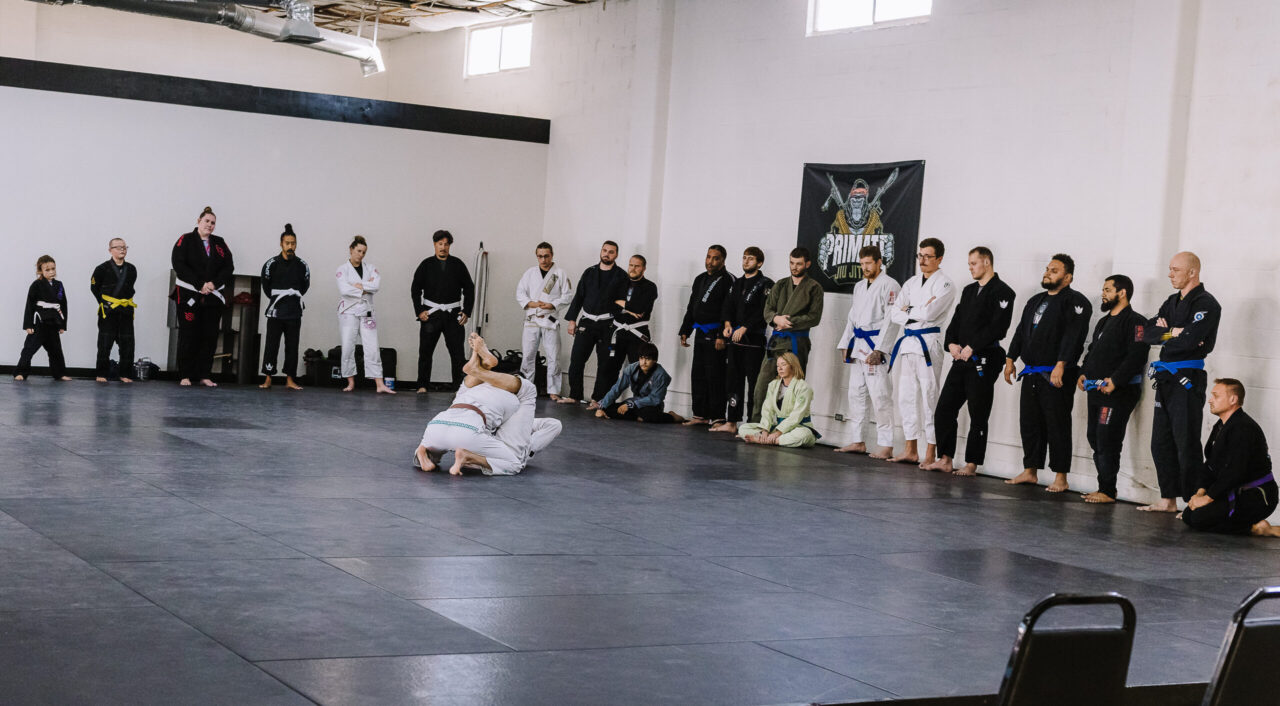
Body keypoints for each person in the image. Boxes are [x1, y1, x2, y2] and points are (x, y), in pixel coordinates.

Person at [1138, 251, 1221, 512]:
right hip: (1165, 376)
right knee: (1160, 441)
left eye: (1175, 269)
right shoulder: (1171, 302)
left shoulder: (1207, 304)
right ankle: (1168, 499)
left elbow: (1188, 342)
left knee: (1185, 441)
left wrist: (1170, 333)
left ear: (1192, 272)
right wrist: (1172, 332)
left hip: (1187, 377)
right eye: (1170, 269)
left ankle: (1192, 501)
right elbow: (1144, 334)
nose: (1169, 274)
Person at [1003, 254, 1091, 492]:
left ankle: (1061, 477)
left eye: (1054, 270)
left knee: (1057, 423)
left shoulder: (1076, 301)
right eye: (1047, 269)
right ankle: (1030, 470)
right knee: (1029, 422)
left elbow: (1074, 336)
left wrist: (1061, 364)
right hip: (1031, 371)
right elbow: (1021, 330)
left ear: (1068, 276)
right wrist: (1010, 359)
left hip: (1057, 373)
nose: (1047, 272)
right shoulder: (1035, 300)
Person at [926, 246, 1015, 475]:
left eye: (974, 263)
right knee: (944, 409)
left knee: (978, 413)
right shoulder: (968, 291)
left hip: (983, 359)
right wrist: (951, 343)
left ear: (987, 262)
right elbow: (956, 320)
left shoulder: (1003, 292)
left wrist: (973, 346)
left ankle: (972, 463)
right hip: (961, 360)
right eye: (969, 264)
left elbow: (999, 327)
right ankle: (945, 458)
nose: (971, 268)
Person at [885, 238, 957, 467]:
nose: (923, 260)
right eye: (920, 256)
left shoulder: (945, 284)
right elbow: (894, 313)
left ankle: (930, 452)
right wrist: (915, 310)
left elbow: (931, 312)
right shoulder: (911, 283)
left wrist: (909, 309)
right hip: (907, 343)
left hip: (928, 343)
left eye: (928, 256)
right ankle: (910, 449)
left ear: (939, 259)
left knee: (929, 396)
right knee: (905, 396)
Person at [1076, 275, 1148, 503]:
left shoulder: (1137, 322)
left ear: (1122, 292)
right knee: (1094, 437)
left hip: (1118, 393)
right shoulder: (1103, 321)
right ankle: (1105, 487)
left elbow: (1137, 355)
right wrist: (1083, 372)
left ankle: (1107, 490)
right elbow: (1092, 351)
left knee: (1107, 438)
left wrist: (1116, 380)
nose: (1103, 294)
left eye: (1108, 289)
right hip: (1096, 390)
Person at [1182, 379, 1279, 537]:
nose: (1210, 400)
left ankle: (1259, 528)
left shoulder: (1244, 428)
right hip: (1234, 491)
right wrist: (1200, 492)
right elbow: (1210, 465)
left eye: (1216, 396)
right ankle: (1245, 523)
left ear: (1233, 400)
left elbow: (1235, 472)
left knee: (1199, 518)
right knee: (1188, 516)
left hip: (1257, 496)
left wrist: (1208, 498)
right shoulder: (1221, 426)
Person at [413, 337, 522, 475]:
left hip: (437, 424)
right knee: (514, 464)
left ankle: (423, 450)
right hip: (468, 430)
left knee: (436, 445)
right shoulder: (512, 398)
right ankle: (467, 456)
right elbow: (507, 430)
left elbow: (470, 379)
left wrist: (478, 356)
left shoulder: (470, 389)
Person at [834, 245, 900, 459]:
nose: (865, 267)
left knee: (880, 395)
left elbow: (891, 320)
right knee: (856, 394)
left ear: (879, 262)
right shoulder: (860, 286)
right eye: (862, 264)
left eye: (868, 263)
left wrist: (880, 350)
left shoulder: (890, 285)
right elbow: (853, 317)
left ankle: (886, 445)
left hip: (875, 346)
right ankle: (858, 441)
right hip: (859, 345)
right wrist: (845, 343)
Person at [752, 247, 824, 423]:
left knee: (792, 387)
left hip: (796, 342)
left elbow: (814, 317)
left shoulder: (814, 288)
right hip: (776, 342)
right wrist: (776, 318)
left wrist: (789, 322)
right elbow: (768, 309)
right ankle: (756, 423)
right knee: (762, 385)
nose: (794, 267)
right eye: (792, 263)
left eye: (799, 264)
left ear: (807, 264)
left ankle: (787, 426)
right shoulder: (781, 284)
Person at [711, 247, 774, 434]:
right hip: (734, 341)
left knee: (755, 383)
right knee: (733, 381)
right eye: (744, 258)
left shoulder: (766, 284)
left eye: (751, 259)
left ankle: (752, 423)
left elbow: (764, 312)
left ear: (760, 263)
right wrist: (728, 325)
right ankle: (731, 422)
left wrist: (746, 327)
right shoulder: (736, 284)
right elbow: (727, 306)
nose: (746, 262)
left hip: (753, 341)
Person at [171, 206, 233, 387]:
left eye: (213, 223)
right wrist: (199, 284)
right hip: (189, 295)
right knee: (188, 335)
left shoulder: (219, 243)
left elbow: (229, 267)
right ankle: (185, 375)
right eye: (207, 221)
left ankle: (205, 374)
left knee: (209, 336)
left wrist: (213, 284)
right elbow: (179, 264)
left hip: (212, 297)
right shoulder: (186, 239)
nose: (210, 225)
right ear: (198, 221)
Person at [562, 240, 628, 404]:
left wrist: (619, 324)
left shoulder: (621, 276)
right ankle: (574, 395)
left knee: (605, 363)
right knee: (576, 360)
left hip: (608, 324)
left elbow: (624, 303)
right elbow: (579, 297)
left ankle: (598, 399)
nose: (607, 254)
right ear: (601, 252)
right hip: (587, 322)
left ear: (616, 255)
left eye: (611, 252)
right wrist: (572, 320)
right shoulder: (589, 272)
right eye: (604, 250)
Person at [411, 230, 474, 393]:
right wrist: (419, 311)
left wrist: (466, 311)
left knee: (457, 354)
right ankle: (422, 385)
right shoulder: (426, 265)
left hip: (453, 315)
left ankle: (460, 387)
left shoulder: (458, 265)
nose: (443, 247)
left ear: (450, 246)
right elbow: (415, 289)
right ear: (434, 244)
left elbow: (469, 288)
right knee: (425, 351)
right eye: (440, 244)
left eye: (446, 244)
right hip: (431, 315)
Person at [678, 245, 735, 426]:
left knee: (716, 375)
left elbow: (729, 310)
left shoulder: (728, 280)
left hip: (716, 334)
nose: (710, 261)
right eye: (708, 257)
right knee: (698, 374)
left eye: (715, 258)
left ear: (723, 260)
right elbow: (692, 307)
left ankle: (718, 416)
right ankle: (700, 415)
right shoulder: (700, 279)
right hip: (701, 333)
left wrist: (722, 335)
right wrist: (686, 330)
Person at [592, 254, 658, 404]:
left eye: (637, 266)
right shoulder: (619, 283)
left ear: (644, 268)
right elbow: (607, 303)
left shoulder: (650, 287)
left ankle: (641, 404)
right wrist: (628, 308)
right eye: (631, 265)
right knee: (607, 367)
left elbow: (640, 308)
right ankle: (601, 400)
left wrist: (621, 304)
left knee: (640, 369)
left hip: (637, 333)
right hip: (618, 332)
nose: (633, 268)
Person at [336, 235, 394, 394]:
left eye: (364, 252)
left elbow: (376, 286)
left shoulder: (371, 268)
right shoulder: (342, 269)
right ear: (351, 249)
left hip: (367, 310)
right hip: (348, 311)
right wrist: (365, 288)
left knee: (373, 347)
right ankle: (350, 381)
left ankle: (379, 384)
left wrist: (359, 286)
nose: (361, 254)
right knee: (348, 346)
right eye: (358, 251)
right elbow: (344, 290)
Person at [516, 242, 574, 399]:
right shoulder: (530, 273)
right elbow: (520, 292)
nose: (543, 259)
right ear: (537, 256)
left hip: (549, 319)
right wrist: (532, 304)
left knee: (553, 356)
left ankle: (554, 391)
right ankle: (526, 389)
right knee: (528, 355)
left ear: (552, 255)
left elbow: (567, 296)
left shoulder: (560, 273)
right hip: (532, 319)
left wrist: (552, 304)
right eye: (540, 256)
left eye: (546, 256)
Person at [259, 223, 310, 390]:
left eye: (293, 243)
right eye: (287, 243)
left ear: (296, 244)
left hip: (294, 311)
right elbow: (266, 287)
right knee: (271, 345)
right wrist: (279, 299)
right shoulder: (271, 264)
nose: (290, 246)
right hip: (276, 310)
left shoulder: (302, 265)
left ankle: (290, 379)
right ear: (281, 243)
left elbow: (305, 286)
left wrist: (291, 298)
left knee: (292, 346)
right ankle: (267, 378)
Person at [738, 352, 817, 448]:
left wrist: (777, 433)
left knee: (804, 436)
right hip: (778, 427)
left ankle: (769, 441)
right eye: (778, 366)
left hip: (799, 427)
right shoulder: (773, 385)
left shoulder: (803, 387)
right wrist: (765, 431)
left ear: (792, 366)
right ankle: (768, 439)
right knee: (743, 428)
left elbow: (796, 416)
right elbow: (767, 410)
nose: (780, 369)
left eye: (783, 365)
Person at [594, 342, 685, 423]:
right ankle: (636, 416)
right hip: (635, 403)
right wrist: (602, 407)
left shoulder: (661, 375)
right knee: (612, 408)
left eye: (648, 359)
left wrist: (631, 405)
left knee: (647, 415)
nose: (643, 362)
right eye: (641, 358)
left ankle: (672, 417)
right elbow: (617, 388)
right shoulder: (631, 369)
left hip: (651, 405)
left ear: (655, 360)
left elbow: (655, 399)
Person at [15, 255, 70, 382]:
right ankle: (21, 372)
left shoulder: (59, 285)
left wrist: (62, 325)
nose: (51, 272)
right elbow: (29, 305)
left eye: (53, 269)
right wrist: (28, 325)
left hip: (53, 321)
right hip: (39, 321)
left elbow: (63, 304)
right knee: (29, 349)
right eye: (47, 270)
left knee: (56, 350)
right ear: (40, 271)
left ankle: (60, 373)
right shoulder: (36, 285)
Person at [89, 238, 137, 383]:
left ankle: (125, 374)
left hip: (126, 310)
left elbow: (130, 287)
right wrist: (105, 303)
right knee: (104, 343)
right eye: (118, 247)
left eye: (124, 247)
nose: (122, 249)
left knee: (127, 344)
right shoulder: (101, 269)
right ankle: (101, 374)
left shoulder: (132, 269)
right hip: (108, 311)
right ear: (110, 250)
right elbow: (94, 288)